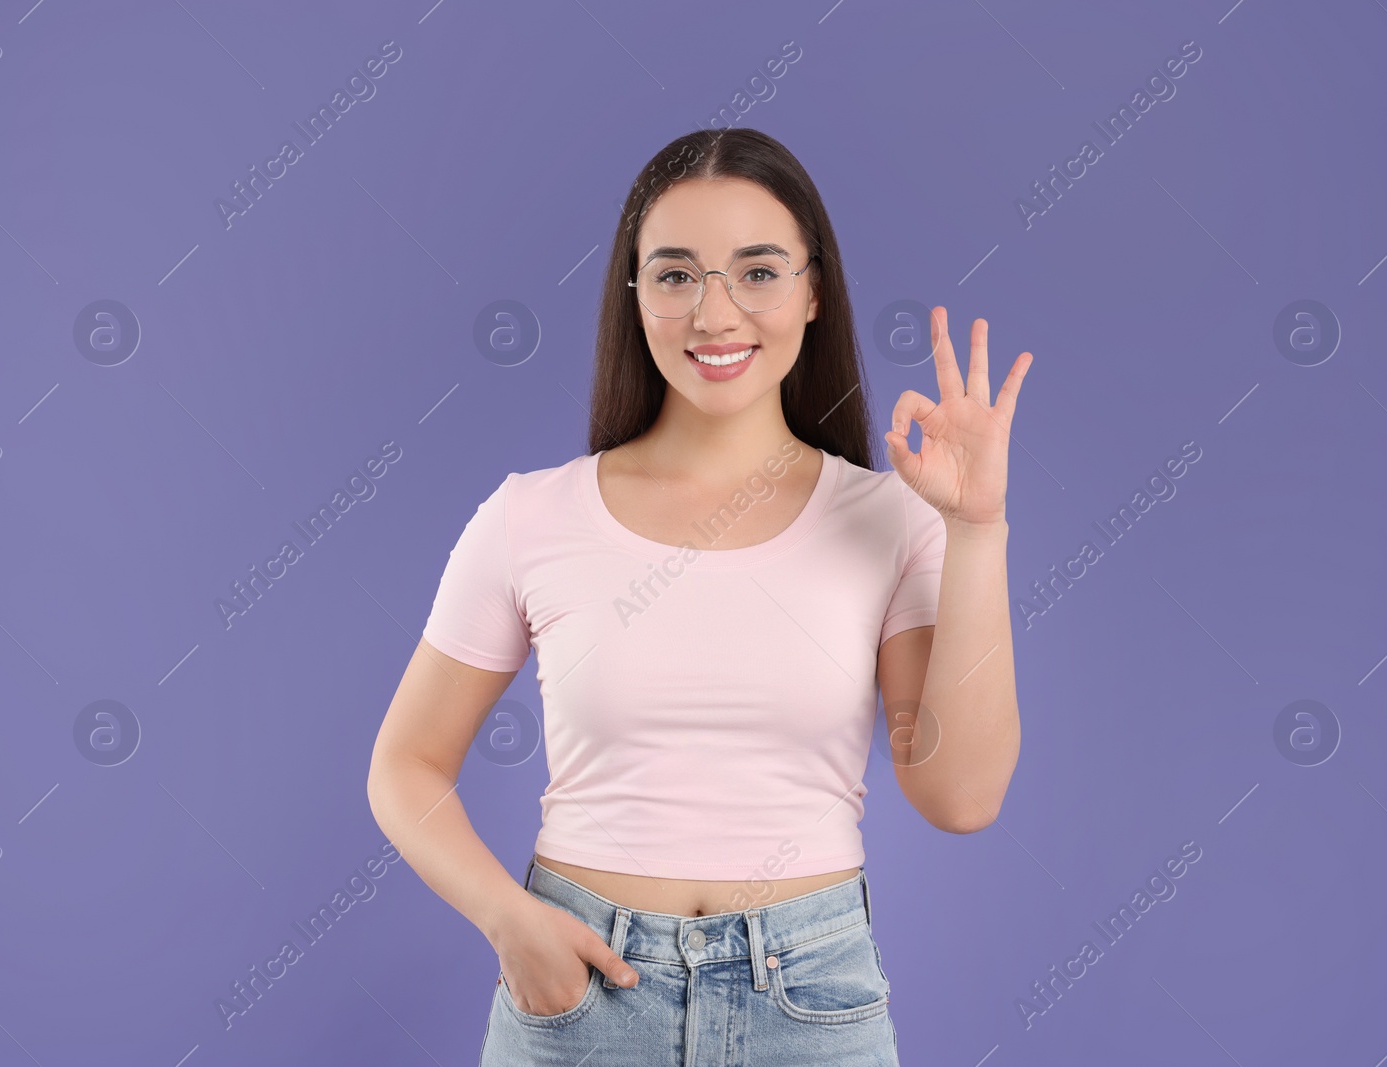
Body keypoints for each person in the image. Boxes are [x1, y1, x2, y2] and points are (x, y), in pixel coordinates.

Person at [366, 127, 1029, 1066]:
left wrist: (977, 528)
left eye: (757, 271)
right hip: (583, 993)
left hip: (811, 1002)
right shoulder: (530, 517)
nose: (715, 313)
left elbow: (960, 794)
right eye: (676, 275)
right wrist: (509, 920)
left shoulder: (892, 518)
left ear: (812, 290)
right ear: (634, 296)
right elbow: (404, 765)